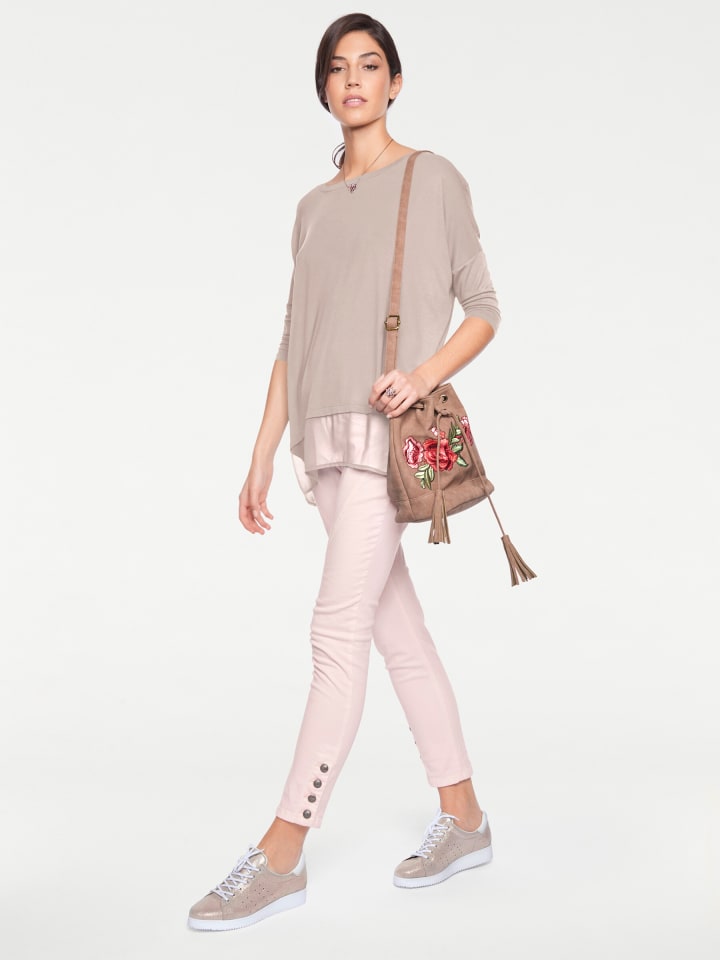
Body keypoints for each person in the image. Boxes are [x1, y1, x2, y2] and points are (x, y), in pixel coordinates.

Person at [188, 12, 502, 931]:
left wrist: (423, 375)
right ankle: (465, 817)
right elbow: (294, 336)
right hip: (319, 448)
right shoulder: (312, 209)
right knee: (397, 633)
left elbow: (484, 307)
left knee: (335, 634)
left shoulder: (432, 178)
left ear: (395, 82)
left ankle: (282, 849)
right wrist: (261, 449)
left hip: (383, 441)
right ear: (324, 88)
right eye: (338, 67)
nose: (354, 79)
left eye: (370, 65)